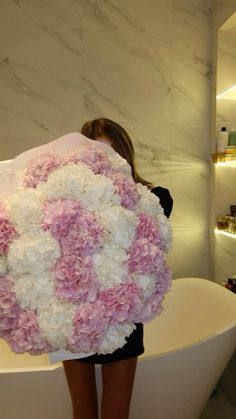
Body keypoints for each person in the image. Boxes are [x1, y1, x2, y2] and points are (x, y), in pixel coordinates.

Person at [62, 118, 173, 419]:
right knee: (82, 412)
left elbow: (147, 254)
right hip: (76, 316)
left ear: (124, 154)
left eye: (111, 152)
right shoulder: (66, 205)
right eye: (95, 152)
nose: (103, 160)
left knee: (115, 414)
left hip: (124, 318)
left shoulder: (155, 198)